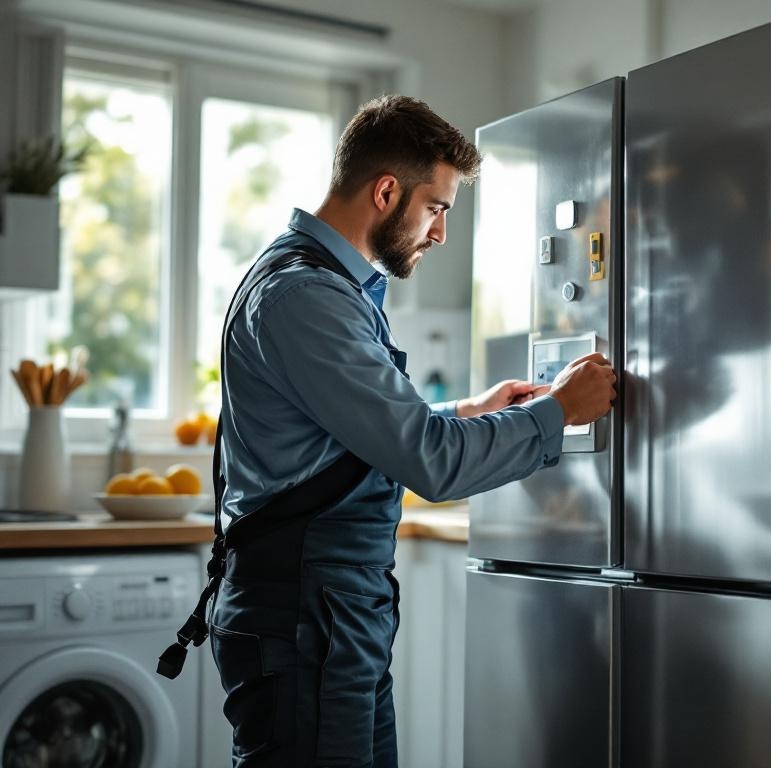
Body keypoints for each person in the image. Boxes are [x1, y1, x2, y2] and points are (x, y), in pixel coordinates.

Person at [159, 94, 615, 767]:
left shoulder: (325, 286)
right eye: (436, 209)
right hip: (306, 617)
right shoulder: (306, 296)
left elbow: (346, 438)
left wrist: (468, 412)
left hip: (333, 617)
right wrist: (558, 412)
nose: (439, 233)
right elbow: (433, 467)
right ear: (385, 191)